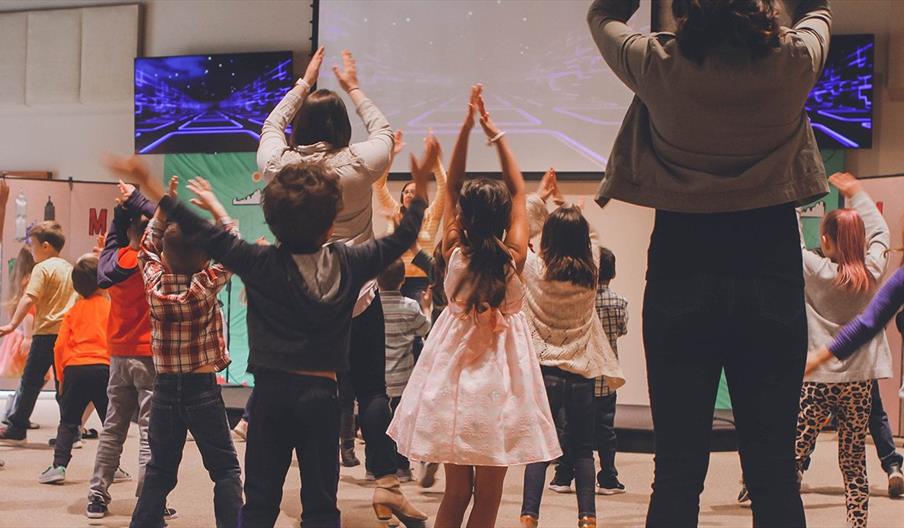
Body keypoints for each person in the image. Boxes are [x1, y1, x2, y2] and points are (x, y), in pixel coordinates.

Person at [587, 0, 832, 525]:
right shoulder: (792, 62)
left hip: (682, 265)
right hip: (769, 266)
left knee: (676, 473)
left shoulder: (656, 64)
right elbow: (818, 11)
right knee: (773, 473)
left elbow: (602, 16)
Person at [121, 135, 433, 527]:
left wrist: (151, 187)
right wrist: (419, 194)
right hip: (321, 398)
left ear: (271, 221)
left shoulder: (259, 261)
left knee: (259, 503)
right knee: (321, 506)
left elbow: (202, 229)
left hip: (269, 398)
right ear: (331, 224)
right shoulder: (350, 262)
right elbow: (402, 239)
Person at [257, 46, 424, 523]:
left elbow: (270, 127)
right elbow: (384, 132)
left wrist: (302, 85)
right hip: (358, 293)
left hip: (299, 297)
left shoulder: (282, 166)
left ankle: (307, 494)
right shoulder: (359, 163)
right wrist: (353, 87)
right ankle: (386, 483)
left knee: (313, 391)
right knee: (371, 389)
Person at [388, 85, 561, 528]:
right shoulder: (514, 256)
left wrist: (465, 128)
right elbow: (519, 191)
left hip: (456, 380)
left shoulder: (453, 249)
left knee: (455, 493)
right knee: (488, 497)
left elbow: (453, 184)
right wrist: (494, 133)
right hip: (501, 383)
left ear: (461, 216)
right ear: (505, 218)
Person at [103, 161, 243, 528]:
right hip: (202, 390)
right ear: (206, 259)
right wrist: (216, 207)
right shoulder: (206, 283)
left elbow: (147, 247)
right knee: (225, 469)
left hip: (164, 389)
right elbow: (234, 247)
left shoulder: (153, 283)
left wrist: (163, 209)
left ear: (164, 257)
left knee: (160, 468)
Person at [781, 173, 890, 527]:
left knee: (794, 452)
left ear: (826, 241)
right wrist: (857, 193)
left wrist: (790, 202)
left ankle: (783, 515)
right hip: (859, 381)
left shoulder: (816, 271)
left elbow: (792, 241)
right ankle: (857, 523)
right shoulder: (872, 271)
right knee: (854, 459)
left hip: (818, 378)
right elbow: (881, 232)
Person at [519, 170, 624, 528]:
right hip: (581, 373)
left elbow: (525, 226)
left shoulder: (535, 268)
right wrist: (566, 203)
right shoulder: (591, 271)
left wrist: (541, 196)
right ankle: (588, 516)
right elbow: (593, 236)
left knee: (540, 449)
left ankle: (529, 515)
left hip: (544, 373)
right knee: (582, 450)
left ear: (547, 237)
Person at [86, 182, 173, 519]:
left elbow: (111, 242)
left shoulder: (114, 263)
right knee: (151, 432)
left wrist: (121, 212)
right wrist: (141, 202)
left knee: (113, 428)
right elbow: (171, 222)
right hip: (149, 356)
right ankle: (149, 501)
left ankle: (97, 496)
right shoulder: (156, 264)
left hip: (118, 355)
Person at [808, 258, 904, 500]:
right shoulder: (885, 273)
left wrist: (820, 357)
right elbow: (868, 323)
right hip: (855, 370)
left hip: (836, 372)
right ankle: (893, 465)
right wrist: (821, 357)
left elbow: (867, 323)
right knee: (873, 417)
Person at [553, 247, 629, 496]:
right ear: (613, 273)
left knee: (570, 429)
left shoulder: (580, 301)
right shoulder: (619, 302)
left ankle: (563, 476)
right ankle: (608, 479)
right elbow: (621, 330)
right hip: (606, 378)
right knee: (606, 432)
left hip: (580, 375)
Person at [0, 222, 78, 444]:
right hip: (67, 335)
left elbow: (29, 298)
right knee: (64, 385)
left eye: (32, 245)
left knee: (30, 382)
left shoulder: (42, 268)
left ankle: (17, 428)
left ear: (45, 246)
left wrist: (12, 325)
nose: (31, 250)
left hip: (45, 334)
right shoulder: (69, 268)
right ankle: (72, 432)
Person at [38, 254, 110, 484]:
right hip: (103, 368)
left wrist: (61, 380)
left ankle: (58, 466)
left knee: (69, 421)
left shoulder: (73, 311)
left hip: (75, 370)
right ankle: (112, 467)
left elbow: (59, 346)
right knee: (110, 423)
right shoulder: (110, 308)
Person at [374, 130, 448, 301]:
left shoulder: (430, 215)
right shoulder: (395, 211)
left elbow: (443, 186)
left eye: (414, 192)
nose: (408, 194)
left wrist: (434, 160)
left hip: (421, 279)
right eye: (406, 192)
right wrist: (391, 155)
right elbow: (379, 185)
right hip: (392, 277)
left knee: (418, 316)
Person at [378, 260, 432, 482]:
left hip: (377, 375)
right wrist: (426, 307)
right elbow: (425, 329)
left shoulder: (372, 305)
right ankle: (402, 466)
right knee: (401, 422)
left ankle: (377, 466)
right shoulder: (410, 306)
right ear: (402, 280)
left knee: (378, 421)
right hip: (403, 377)